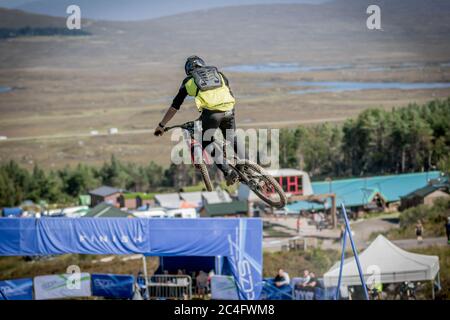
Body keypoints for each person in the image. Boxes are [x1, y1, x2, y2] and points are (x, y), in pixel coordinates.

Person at [154, 56, 238, 185]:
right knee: (232, 137)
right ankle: (248, 165)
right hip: (229, 109)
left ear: (188, 70)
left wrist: (161, 125)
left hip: (212, 114)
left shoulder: (189, 81)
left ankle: (228, 172)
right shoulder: (218, 74)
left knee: (206, 141)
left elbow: (175, 106)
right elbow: (228, 91)